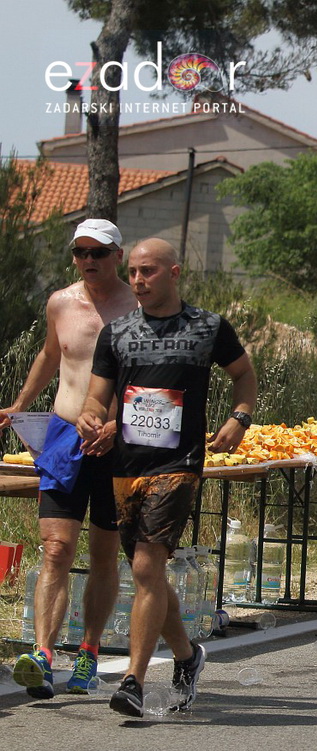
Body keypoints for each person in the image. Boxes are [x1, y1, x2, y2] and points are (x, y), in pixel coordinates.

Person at [77, 238, 257, 717]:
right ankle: (186, 655)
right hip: (125, 466)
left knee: (143, 568)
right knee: (150, 573)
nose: (137, 280)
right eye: (133, 272)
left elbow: (244, 375)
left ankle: (134, 680)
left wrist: (239, 417)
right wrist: (90, 416)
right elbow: (97, 397)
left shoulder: (208, 327)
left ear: (174, 273)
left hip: (178, 464)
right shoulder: (116, 333)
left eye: (148, 272)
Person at [3, 219, 137, 700]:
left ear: (117, 256)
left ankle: (88, 650)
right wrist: (21, 403)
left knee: (103, 555)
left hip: (116, 440)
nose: (88, 261)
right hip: (63, 435)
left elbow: (144, 377)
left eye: (98, 252)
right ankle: (42, 654)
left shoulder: (138, 306)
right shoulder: (61, 302)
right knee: (55, 549)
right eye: (80, 252)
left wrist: (113, 422)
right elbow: (49, 354)